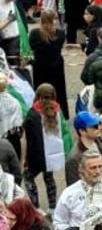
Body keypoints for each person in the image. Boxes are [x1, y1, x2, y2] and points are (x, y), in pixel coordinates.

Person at [22, 83, 66, 211]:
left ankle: (36, 207)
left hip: (36, 156)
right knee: (49, 178)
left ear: (38, 96)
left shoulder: (32, 114)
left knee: (29, 178)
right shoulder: (57, 111)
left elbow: (27, 137)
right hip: (52, 155)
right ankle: (52, 207)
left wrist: (24, 158)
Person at [28, 9, 68, 117]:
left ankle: (40, 111)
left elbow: (32, 47)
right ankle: (60, 111)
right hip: (56, 66)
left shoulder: (34, 34)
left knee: (42, 90)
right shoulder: (60, 34)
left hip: (40, 66)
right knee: (58, 90)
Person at [66, 110, 102, 187]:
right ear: (82, 131)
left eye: (99, 123)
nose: (99, 128)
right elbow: (73, 187)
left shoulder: (97, 142)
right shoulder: (74, 158)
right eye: (95, 126)